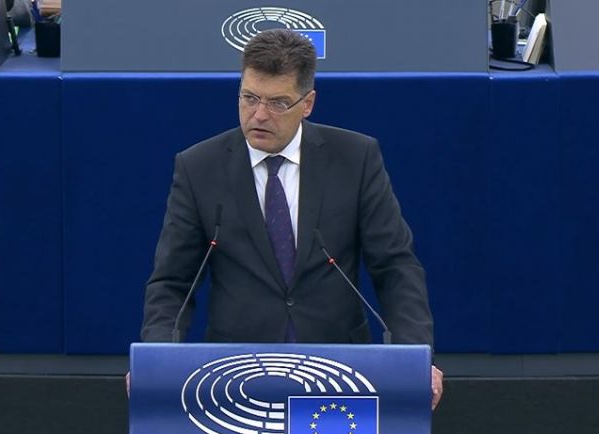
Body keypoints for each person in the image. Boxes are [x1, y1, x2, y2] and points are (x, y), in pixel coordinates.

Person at [140, 29, 442, 409]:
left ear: (308, 103)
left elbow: (396, 266)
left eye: (278, 103)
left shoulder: (355, 158)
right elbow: (172, 283)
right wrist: (156, 360)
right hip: (237, 376)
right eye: (249, 98)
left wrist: (414, 357)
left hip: (340, 373)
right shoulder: (199, 168)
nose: (259, 115)